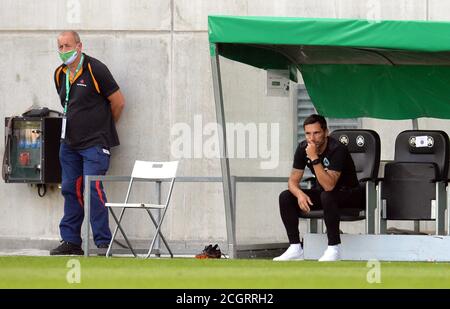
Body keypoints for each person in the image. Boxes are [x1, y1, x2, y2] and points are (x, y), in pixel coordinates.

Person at [50, 31, 125, 255]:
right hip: (69, 145)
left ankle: (103, 242)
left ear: (79, 46)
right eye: (60, 47)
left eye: (68, 46)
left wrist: (102, 129)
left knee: (93, 189)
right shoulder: (59, 74)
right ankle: (71, 241)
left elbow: (119, 102)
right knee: (71, 190)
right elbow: (69, 105)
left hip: (94, 144)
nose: (64, 51)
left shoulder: (95, 69)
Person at [274, 114, 362, 262]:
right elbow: (292, 182)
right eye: (308, 133)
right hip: (324, 195)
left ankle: (334, 248)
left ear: (326, 132)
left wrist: (314, 158)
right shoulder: (303, 148)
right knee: (286, 196)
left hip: (350, 194)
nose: (312, 138)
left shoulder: (337, 149)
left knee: (327, 195)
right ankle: (295, 247)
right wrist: (300, 194)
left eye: (316, 133)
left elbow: (329, 185)